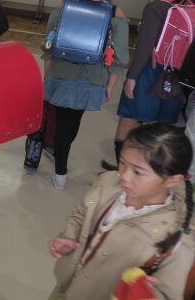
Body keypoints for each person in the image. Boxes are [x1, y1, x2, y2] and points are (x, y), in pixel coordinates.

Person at [49, 123, 195, 299]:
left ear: (172, 180)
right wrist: (69, 236)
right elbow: (81, 213)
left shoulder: (179, 240)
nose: (124, 175)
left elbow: (169, 293)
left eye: (137, 172)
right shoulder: (107, 182)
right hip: (67, 286)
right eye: (122, 162)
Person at [32, 0, 129, 189]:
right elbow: (119, 57)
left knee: (64, 121)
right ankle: (61, 170)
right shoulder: (116, 14)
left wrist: (48, 78)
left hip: (61, 74)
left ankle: (60, 172)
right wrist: (110, 85)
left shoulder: (63, 9)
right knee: (73, 121)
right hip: (92, 78)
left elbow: (48, 49)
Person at [104, 0, 194, 170]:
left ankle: (122, 168)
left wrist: (132, 77)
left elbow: (144, 48)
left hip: (148, 72)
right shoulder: (188, 5)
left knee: (129, 117)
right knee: (161, 124)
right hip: (173, 75)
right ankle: (147, 169)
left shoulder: (156, 6)